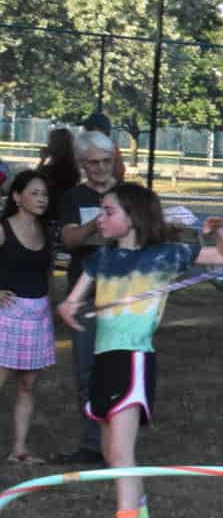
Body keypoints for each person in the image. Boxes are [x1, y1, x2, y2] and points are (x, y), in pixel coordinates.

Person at [53, 183, 223, 518]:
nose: (99, 219)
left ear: (132, 216)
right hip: (104, 360)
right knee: (111, 452)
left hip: (132, 359)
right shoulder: (101, 258)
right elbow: (72, 300)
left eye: (107, 211)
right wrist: (68, 307)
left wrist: (217, 233)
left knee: (122, 456)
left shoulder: (163, 256)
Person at [50, 128, 118, 465]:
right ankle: (92, 444)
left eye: (107, 161)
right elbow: (71, 240)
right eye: (94, 163)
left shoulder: (130, 194)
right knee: (86, 373)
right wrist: (97, 223)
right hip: (85, 296)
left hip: (124, 297)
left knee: (119, 371)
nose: (102, 169)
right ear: (82, 164)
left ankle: (117, 444)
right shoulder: (74, 198)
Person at [0, 169, 58, 462]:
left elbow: (46, 271)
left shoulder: (46, 230)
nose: (41, 199)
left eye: (44, 194)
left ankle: (19, 449)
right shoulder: (2, 228)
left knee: (27, 385)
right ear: (16, 197)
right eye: (34, 193)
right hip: (6, 316)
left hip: (37, 316)